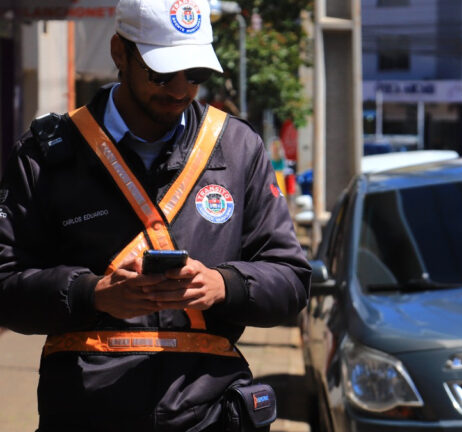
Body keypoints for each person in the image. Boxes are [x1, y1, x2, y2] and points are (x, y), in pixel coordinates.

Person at [0, 0, 310, 430]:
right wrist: (91, 294)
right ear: (119, 53)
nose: (181, 89)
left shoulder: (238, 149)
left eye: (196, 75)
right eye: (162, 73)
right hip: (87, 412)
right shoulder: (45, 155)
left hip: (210, 413)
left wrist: (225, 284)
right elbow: (6, 284)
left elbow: (292, 279)